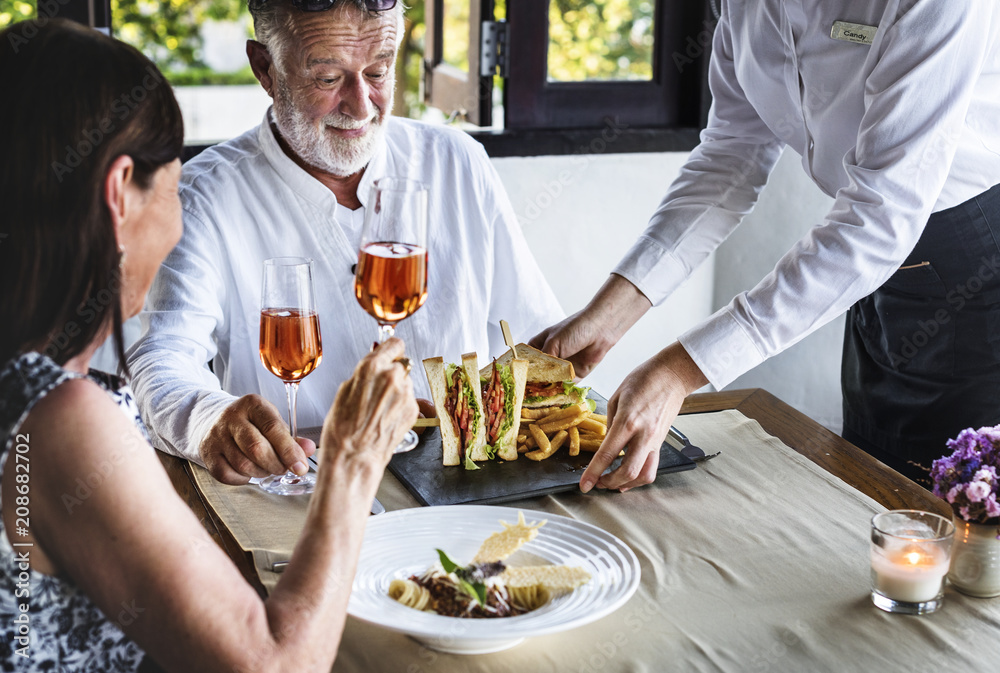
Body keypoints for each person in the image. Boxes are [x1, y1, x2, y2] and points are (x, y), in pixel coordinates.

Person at [0, 19, 417, 672]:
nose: (181, 215)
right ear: (119, 194)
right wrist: (353, 459)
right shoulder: (60, 421)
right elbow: (274, 664)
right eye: (172, 180)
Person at [533, 0, 1000, 491]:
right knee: (870, 482)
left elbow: (881, 215)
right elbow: (732, 154)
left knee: (954, 505)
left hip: (973, 265)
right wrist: (612, 310)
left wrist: (681, 369)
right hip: (872, 272)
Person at [126, 0, 562, 484]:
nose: (361, 104)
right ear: (265, 68)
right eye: (329, 79)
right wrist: (208, 417)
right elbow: (163, 358)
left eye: (378, 72)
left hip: (467, 486)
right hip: (303, 490)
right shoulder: (204, 194)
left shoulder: (457, 161)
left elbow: (531, 338)